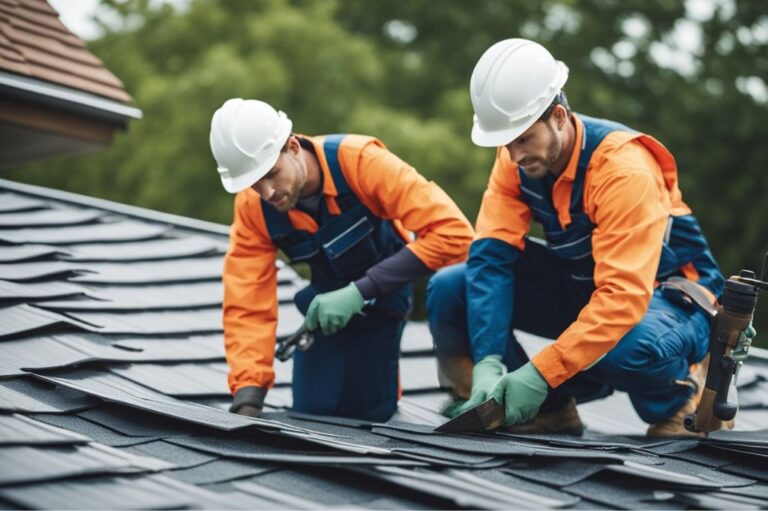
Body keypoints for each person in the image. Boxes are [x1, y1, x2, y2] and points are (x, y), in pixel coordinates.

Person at [427, 39, 754, 436]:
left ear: (560, 116)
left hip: (669, 303)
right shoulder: (516, 159)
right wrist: (488, 360)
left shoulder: (624, 170)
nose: (513, 156)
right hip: (590, 289)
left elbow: (622, 299)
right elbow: (491, 259)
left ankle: (681, 400)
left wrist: (541, 372)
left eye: (524, 139)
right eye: (505, 143)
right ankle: (545, 411)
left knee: (626, 346)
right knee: (451, 287)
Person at [210, 98, 473, 422]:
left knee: (369, 418)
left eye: (272, 174)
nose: (267, 192)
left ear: (292, 146)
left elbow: (455, 233)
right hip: (325, 310)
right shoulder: (253, 209)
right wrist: (248, 394)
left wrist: (361, 290)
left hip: (384, 299)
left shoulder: (362, 163)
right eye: (254, 183)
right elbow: (246, 301)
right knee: (312, 416)